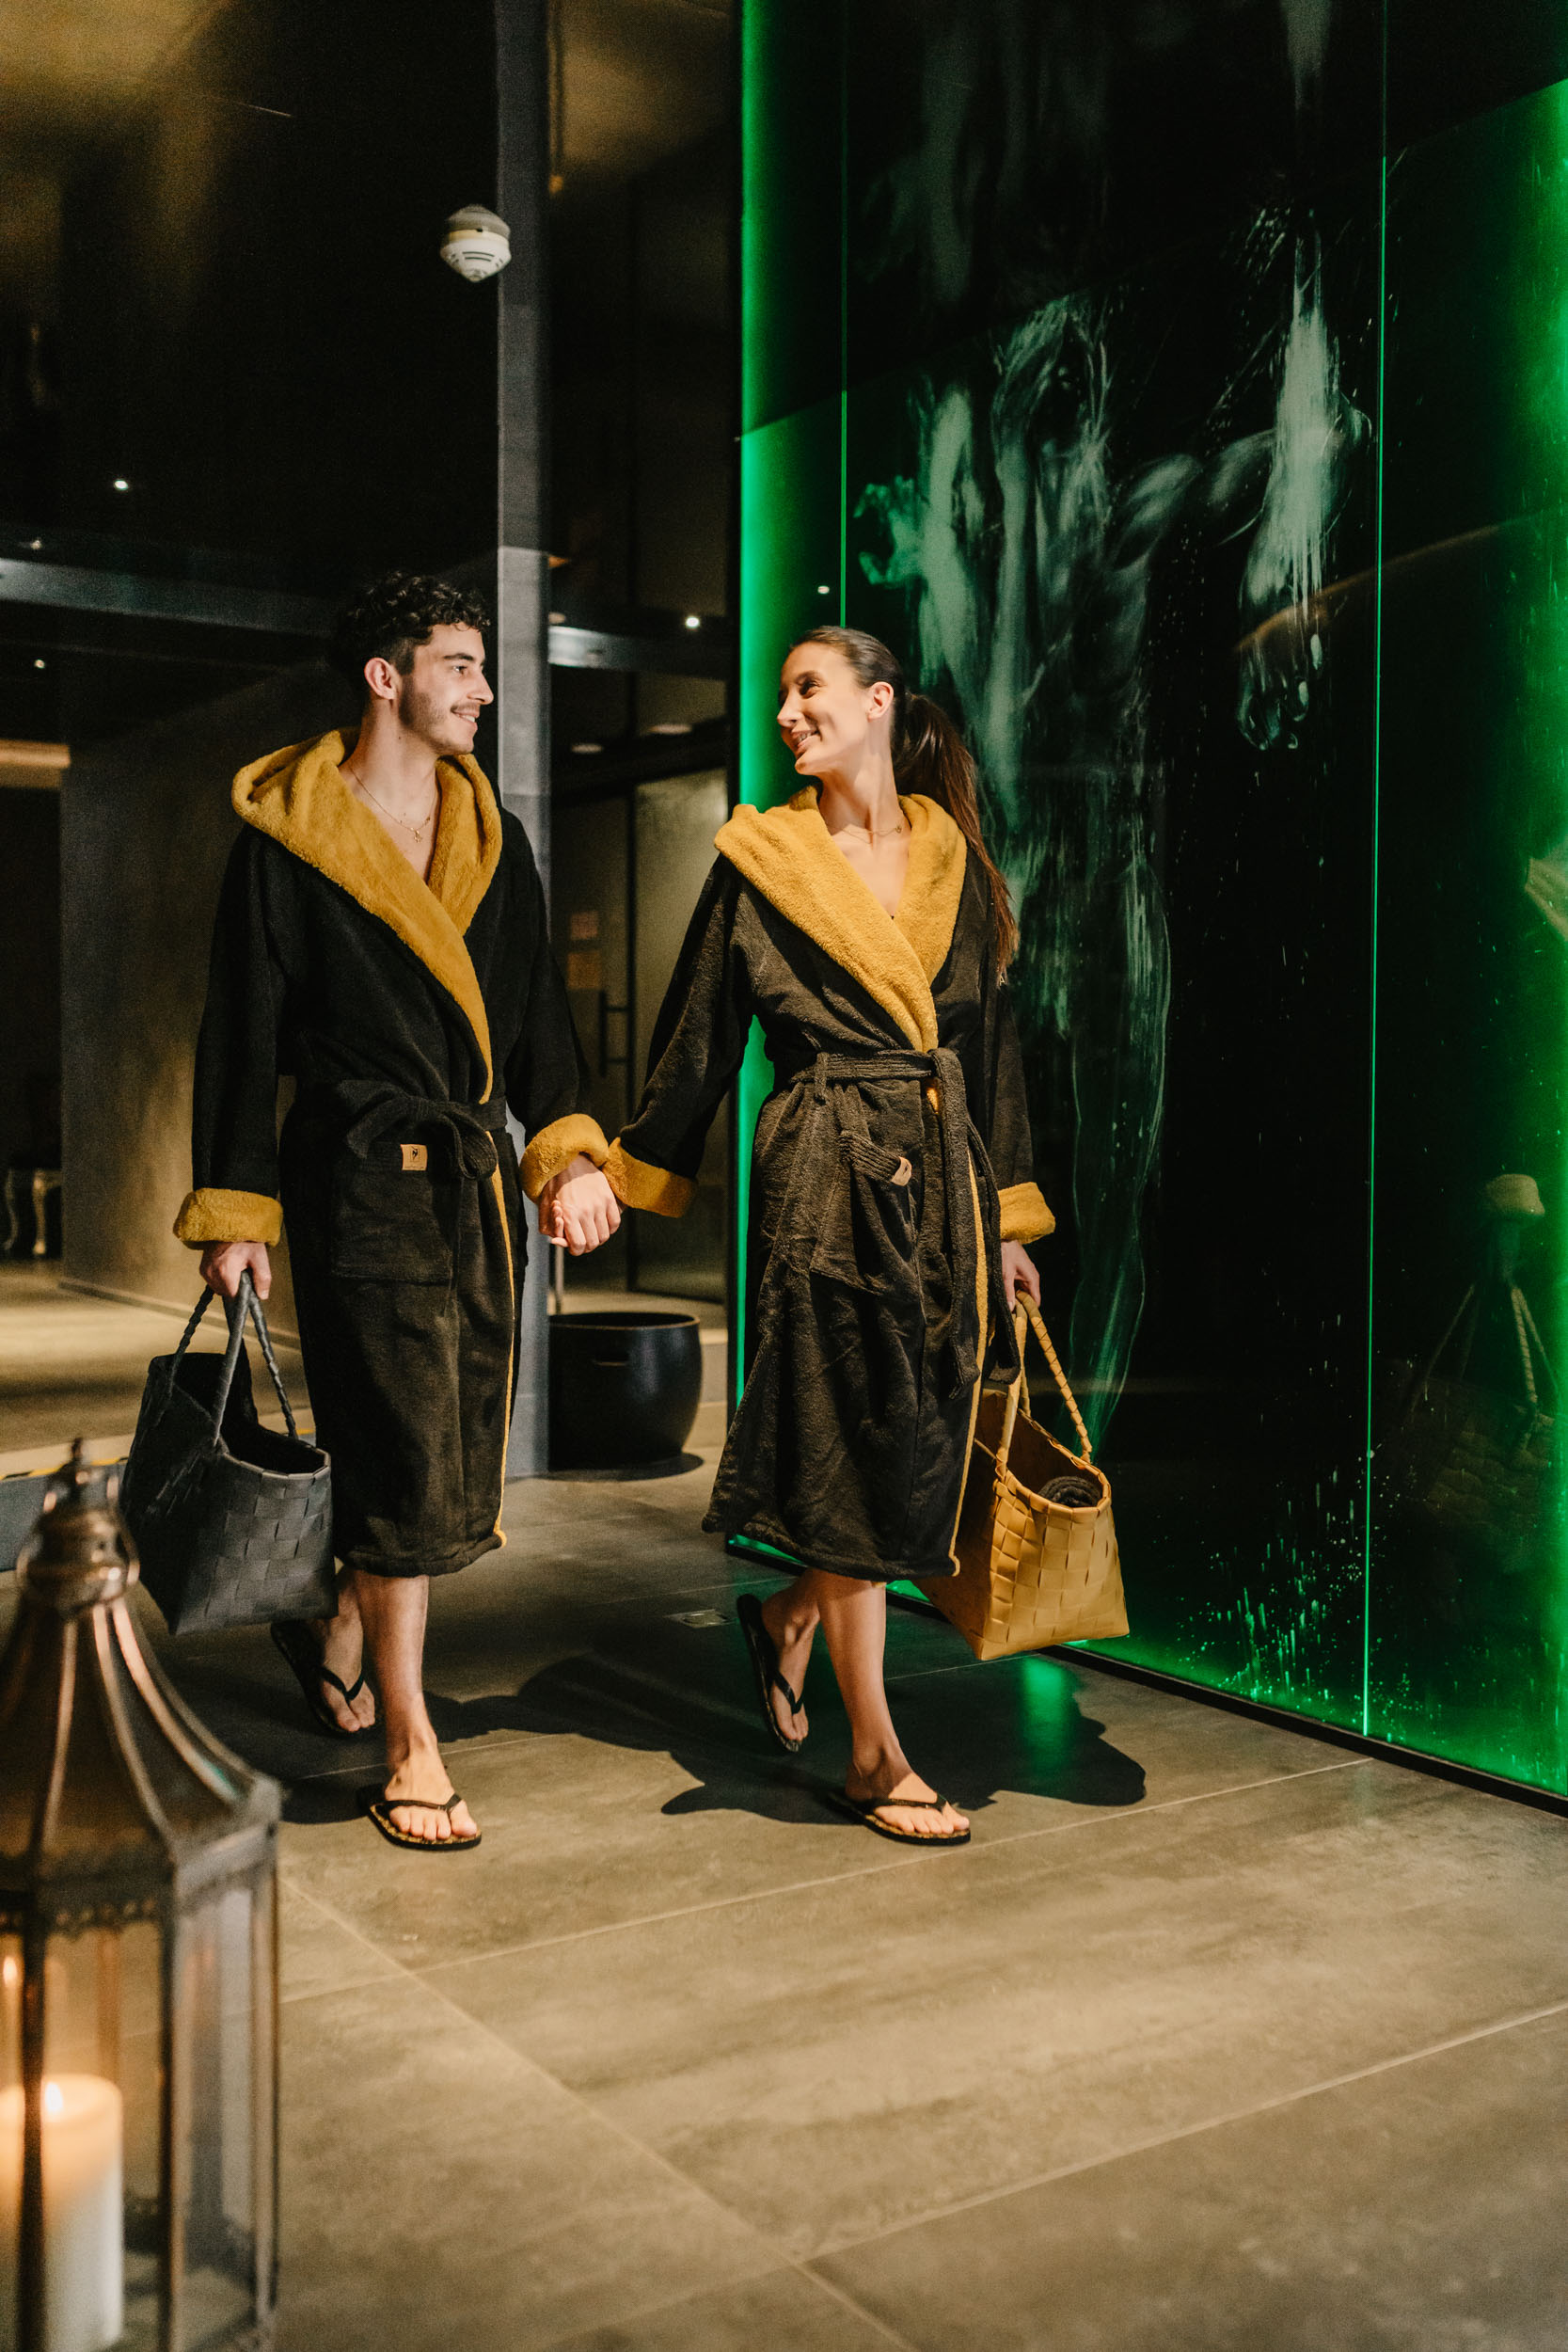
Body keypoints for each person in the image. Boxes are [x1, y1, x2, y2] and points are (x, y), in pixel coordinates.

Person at [547, 626, 1053, 1843]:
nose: (786, 712)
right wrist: (616, 1169)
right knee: (845, 1447)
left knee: (913, 1443)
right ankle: (875, 1757)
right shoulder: (762, 864)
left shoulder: (955, 864)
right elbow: (697, 1035)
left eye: (809, 688)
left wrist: (1005, 1223)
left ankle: (786, 1620)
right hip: (823, 1179)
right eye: (781, 695)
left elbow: (989, 1054)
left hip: (939, 1187)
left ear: (879, 702)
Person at [178, 572, 620, 1850]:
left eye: (481, 667)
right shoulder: (288, 841)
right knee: (400, 1451)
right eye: (460, 665)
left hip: (469, 1186)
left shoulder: (497, 840)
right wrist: (237, 1212)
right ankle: (411, 1745)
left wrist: (567, 1157)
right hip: (358, 1181)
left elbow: (535, 1021)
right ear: (388, 677)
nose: (483, 690)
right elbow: (240, 1033)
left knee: (449, 1446)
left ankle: (334, 1626)